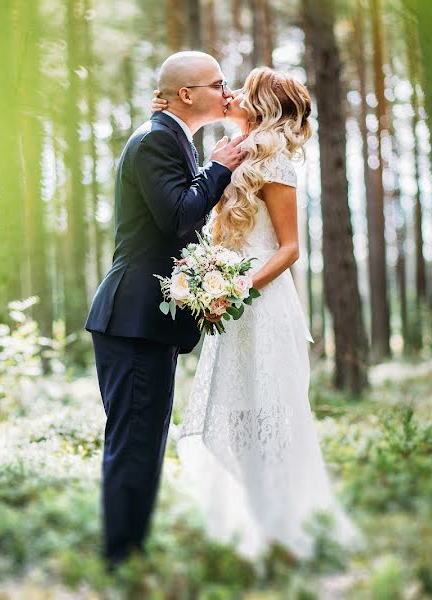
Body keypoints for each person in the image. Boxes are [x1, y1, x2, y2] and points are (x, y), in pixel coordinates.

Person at [152, 67, 363, 561]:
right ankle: (252, 523)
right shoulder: (231, 154)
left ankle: (282, 527)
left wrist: (240, 286)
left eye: (244, 90)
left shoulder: (277, 164)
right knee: (234, 409)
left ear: (264, 107)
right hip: (232, 308)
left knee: (269, 411)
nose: (232, 94)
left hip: (263, 305)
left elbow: (289, 249)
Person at [84, 51, 248, 567]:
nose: (228, 91)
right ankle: (121, 562)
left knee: (144, 442)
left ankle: (128, 554)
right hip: (133, 319)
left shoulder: (174, 139)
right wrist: (218, 170)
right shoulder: (156, 140)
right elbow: (180, 218)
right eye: (219, 83)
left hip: (147, 322)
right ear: (187, 94)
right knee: (134, 443)